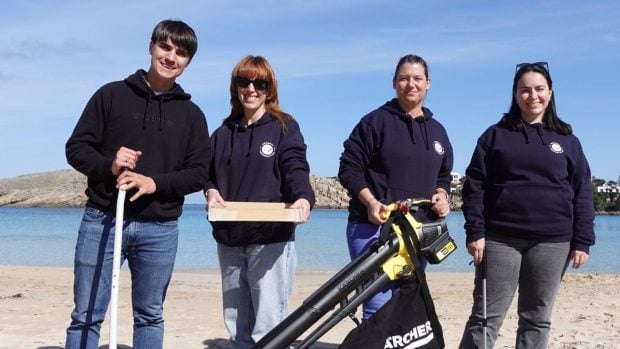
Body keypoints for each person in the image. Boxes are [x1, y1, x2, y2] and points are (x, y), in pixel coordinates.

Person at [64, 19, 211, 349]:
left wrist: (154, 183)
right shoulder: (111, 95)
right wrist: (110, 165)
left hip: (159, 228)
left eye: (181, 53)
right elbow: (76, 148)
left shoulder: (192, 115)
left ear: (189, 61)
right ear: (151, 47)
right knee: (86, 313)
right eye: (166, 47)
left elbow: (199, 172)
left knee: (150, 315)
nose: (171, 57)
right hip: (102, 220)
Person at [458, 62, 595, 348]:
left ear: (550, 92)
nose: (532, 96)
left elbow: (582, 191)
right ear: (515, 94)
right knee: (485, 317)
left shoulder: (568, 141)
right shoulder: (495, 135)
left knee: (537, 318)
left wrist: (582, 240)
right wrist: (475, 232)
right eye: (525, 90)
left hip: (553, 241)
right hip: (499, 239)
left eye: (539, 89)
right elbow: (474, 186)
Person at [204, 55, 315, 348]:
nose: (251, 88)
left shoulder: (284, 127)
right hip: (229, 239)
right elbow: (209, 175)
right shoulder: (222, 133)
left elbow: (295, 166)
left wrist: (303, 197)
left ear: (270, 89)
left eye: (260, 83)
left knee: (269, 327)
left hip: (270, 238)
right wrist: (210, 191)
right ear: (235, 87)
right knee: (237, 325)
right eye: (244, 81)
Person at [338, 54, 453, 320]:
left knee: (406, 303)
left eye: (417, 78)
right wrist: (370, 202)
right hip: (372, 227)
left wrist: (442, 194)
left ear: (428, 83)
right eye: (404, 79)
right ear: (394, 83)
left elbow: (443, 175)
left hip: (418, 232)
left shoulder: (438, 131)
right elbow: (349, 167)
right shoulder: (375, 122)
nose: (410, 84)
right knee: (378, 305)